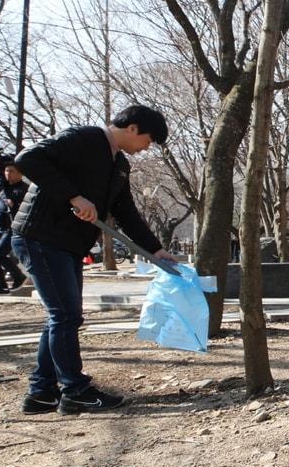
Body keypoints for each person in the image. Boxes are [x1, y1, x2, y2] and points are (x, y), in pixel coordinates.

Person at [11, 105, 178, 415]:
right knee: (66, 315)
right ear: (133, 128)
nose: (146, 148)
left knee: (62, 316)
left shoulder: (119, 165)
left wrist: (155, 249)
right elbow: (27, 159)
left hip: (68, 245)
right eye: (149, 140)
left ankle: (41, 393)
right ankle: (75, 391)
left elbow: (126, 212)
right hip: (41, 238)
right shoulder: (83, 138)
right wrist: (74, 196)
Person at [0, 156, 28, 294]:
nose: (8, 174)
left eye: (11, 171)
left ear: (20, 173)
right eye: (6, 171)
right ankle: (1, 286)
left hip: (11, 228)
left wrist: (14, 205)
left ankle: (19, 276)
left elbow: (23, 208)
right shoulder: (3, 187)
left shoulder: (23, 189)